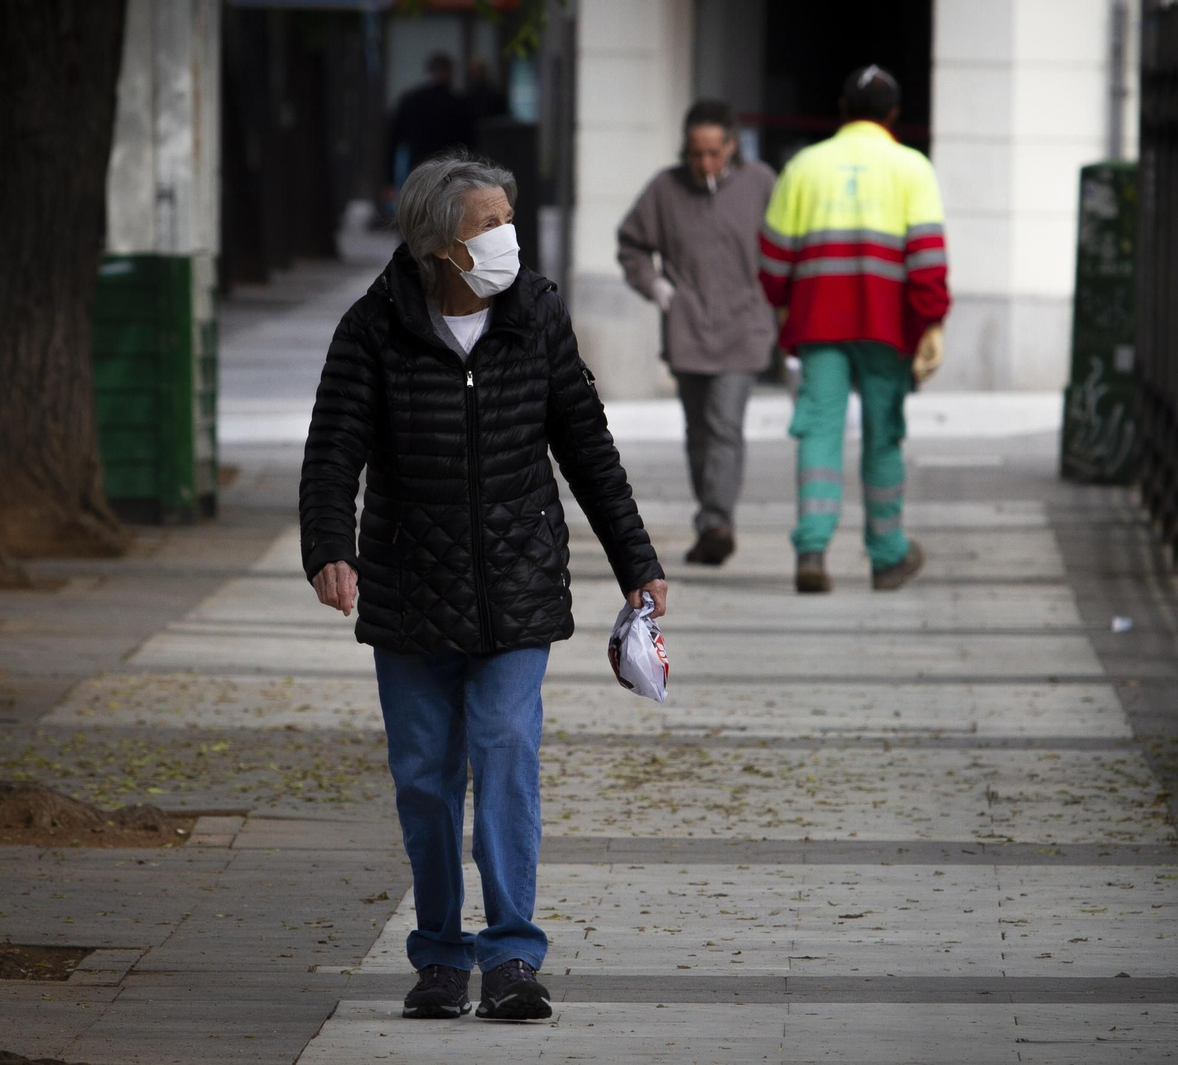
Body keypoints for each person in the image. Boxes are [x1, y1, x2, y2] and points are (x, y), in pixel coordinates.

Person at [299, 150, 667, 1022]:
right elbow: (332, 449)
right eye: (487, 225)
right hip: (408, 585)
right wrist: (329, 547)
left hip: (517, 583)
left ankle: (510, 956)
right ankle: (437, 955)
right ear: (437, 244)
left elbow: (586, 444)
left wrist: (637, 562)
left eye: (509, 218)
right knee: (425, 778)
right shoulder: (374, 326)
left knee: (505, 754)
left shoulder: (534, 313)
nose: (506, 237)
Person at [758, 65, 950, 593]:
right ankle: (888, 557)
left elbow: (774, 255)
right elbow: (928, 259)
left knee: (819, 428)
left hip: (819, 321)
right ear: (892, 115)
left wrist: (783, 304)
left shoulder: (805, 166)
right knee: (883, 435)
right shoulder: (913, 168)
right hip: (888, 328)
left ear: (842, 110)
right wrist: (930, 321)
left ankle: (813, 551)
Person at [617, 100, 777, 565]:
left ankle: (716, 522)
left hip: (744, 326)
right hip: (688, 328)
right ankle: (712, 517)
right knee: (698, 432)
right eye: (696, 153)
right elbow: (631, 244)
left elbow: (789, 241)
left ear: (732, 146)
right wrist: (657, 288)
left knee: (724, 425)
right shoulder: (665, 190)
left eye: (713, 152)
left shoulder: (760, 184)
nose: (705, 163)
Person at [385, 54, 474, 197]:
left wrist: (389, 179)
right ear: (449, 73)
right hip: (450, 171)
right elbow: (469, 144)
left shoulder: (411, 101)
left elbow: (394, 140)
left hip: (418, 169)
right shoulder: (457, 104)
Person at [465, 56, 510, 123]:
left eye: (478, 70)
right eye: (473, 71)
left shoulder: (494, 96)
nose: (475, 74)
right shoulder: (469, 97)